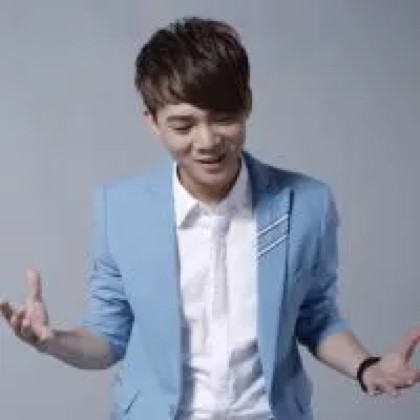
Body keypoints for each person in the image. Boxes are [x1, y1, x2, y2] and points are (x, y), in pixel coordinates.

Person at [1, 16, 419, 420]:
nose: (207, 141)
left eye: (223, 118)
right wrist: (51, 342)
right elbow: (107, 338)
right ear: (153, 123)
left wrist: (367, 368)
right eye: (183, 126)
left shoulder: (309, 203)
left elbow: (317, 318)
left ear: (246, 105)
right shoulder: (120, 210)